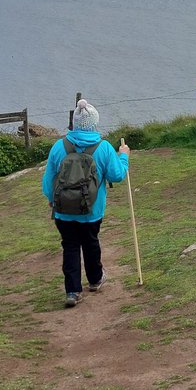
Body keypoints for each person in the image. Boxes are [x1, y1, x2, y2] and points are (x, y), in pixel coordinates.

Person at [41, 99, 129, 307]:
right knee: (91, 242)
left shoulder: (59, 146)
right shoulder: (104, 147)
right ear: (94, 123)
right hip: (92, 209)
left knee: (70, 246)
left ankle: (72, 291)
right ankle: (95, 279)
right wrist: (124, 156)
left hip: (63, 210)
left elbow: (48, 181)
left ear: (74, 123)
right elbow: (116, 175)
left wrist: (51, 199)